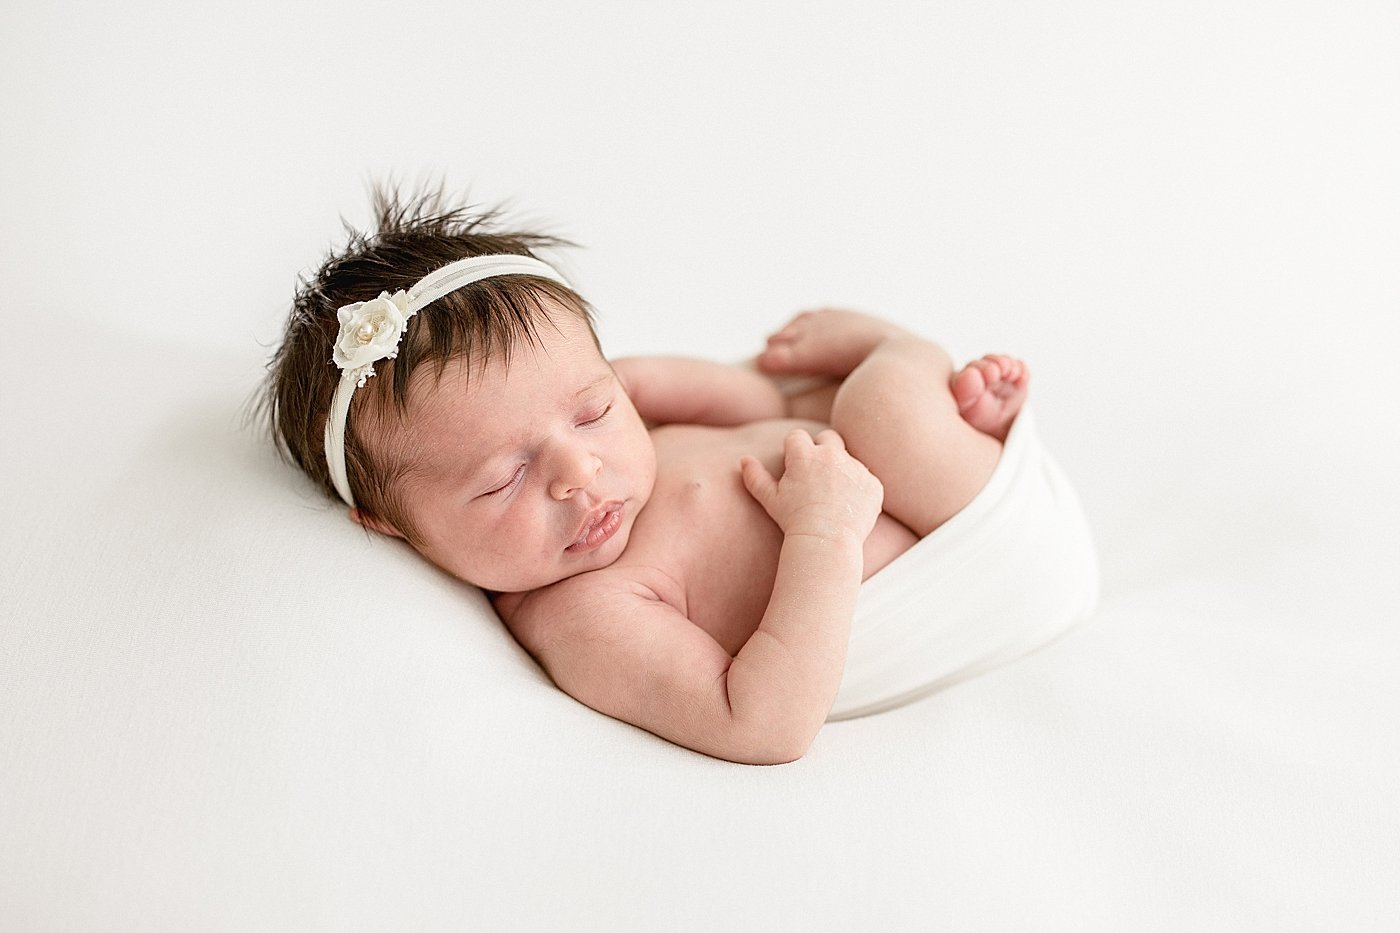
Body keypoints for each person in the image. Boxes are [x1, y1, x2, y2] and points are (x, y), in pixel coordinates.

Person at [265, 187, 1071, 765]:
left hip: (926, 488)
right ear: (393, 523)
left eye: (591, 411)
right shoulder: (582, 614)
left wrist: (764, 390)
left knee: (821, 400)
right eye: (502, 478)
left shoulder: (626, 407)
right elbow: (761, 722)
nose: (580, 472)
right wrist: (824, 535)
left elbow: (757, 394)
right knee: (883, 415)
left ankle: (917, 389)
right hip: (986, 568)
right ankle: (901, 363)